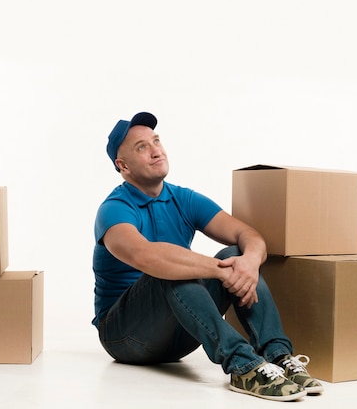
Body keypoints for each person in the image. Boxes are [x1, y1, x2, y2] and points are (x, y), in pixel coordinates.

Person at [91, 111, 323, 402]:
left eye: (156, 141)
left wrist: (248, 264)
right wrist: (224, 271)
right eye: (142, 147)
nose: (155, 151)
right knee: (168, 271)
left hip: (180, 334)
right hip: (125, 337)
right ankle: (244, 366)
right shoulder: (114, 209)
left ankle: (278, 356)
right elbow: (147, 256)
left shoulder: (183, 199)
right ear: (122, 166)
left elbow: (249, 236)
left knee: (235, 253)